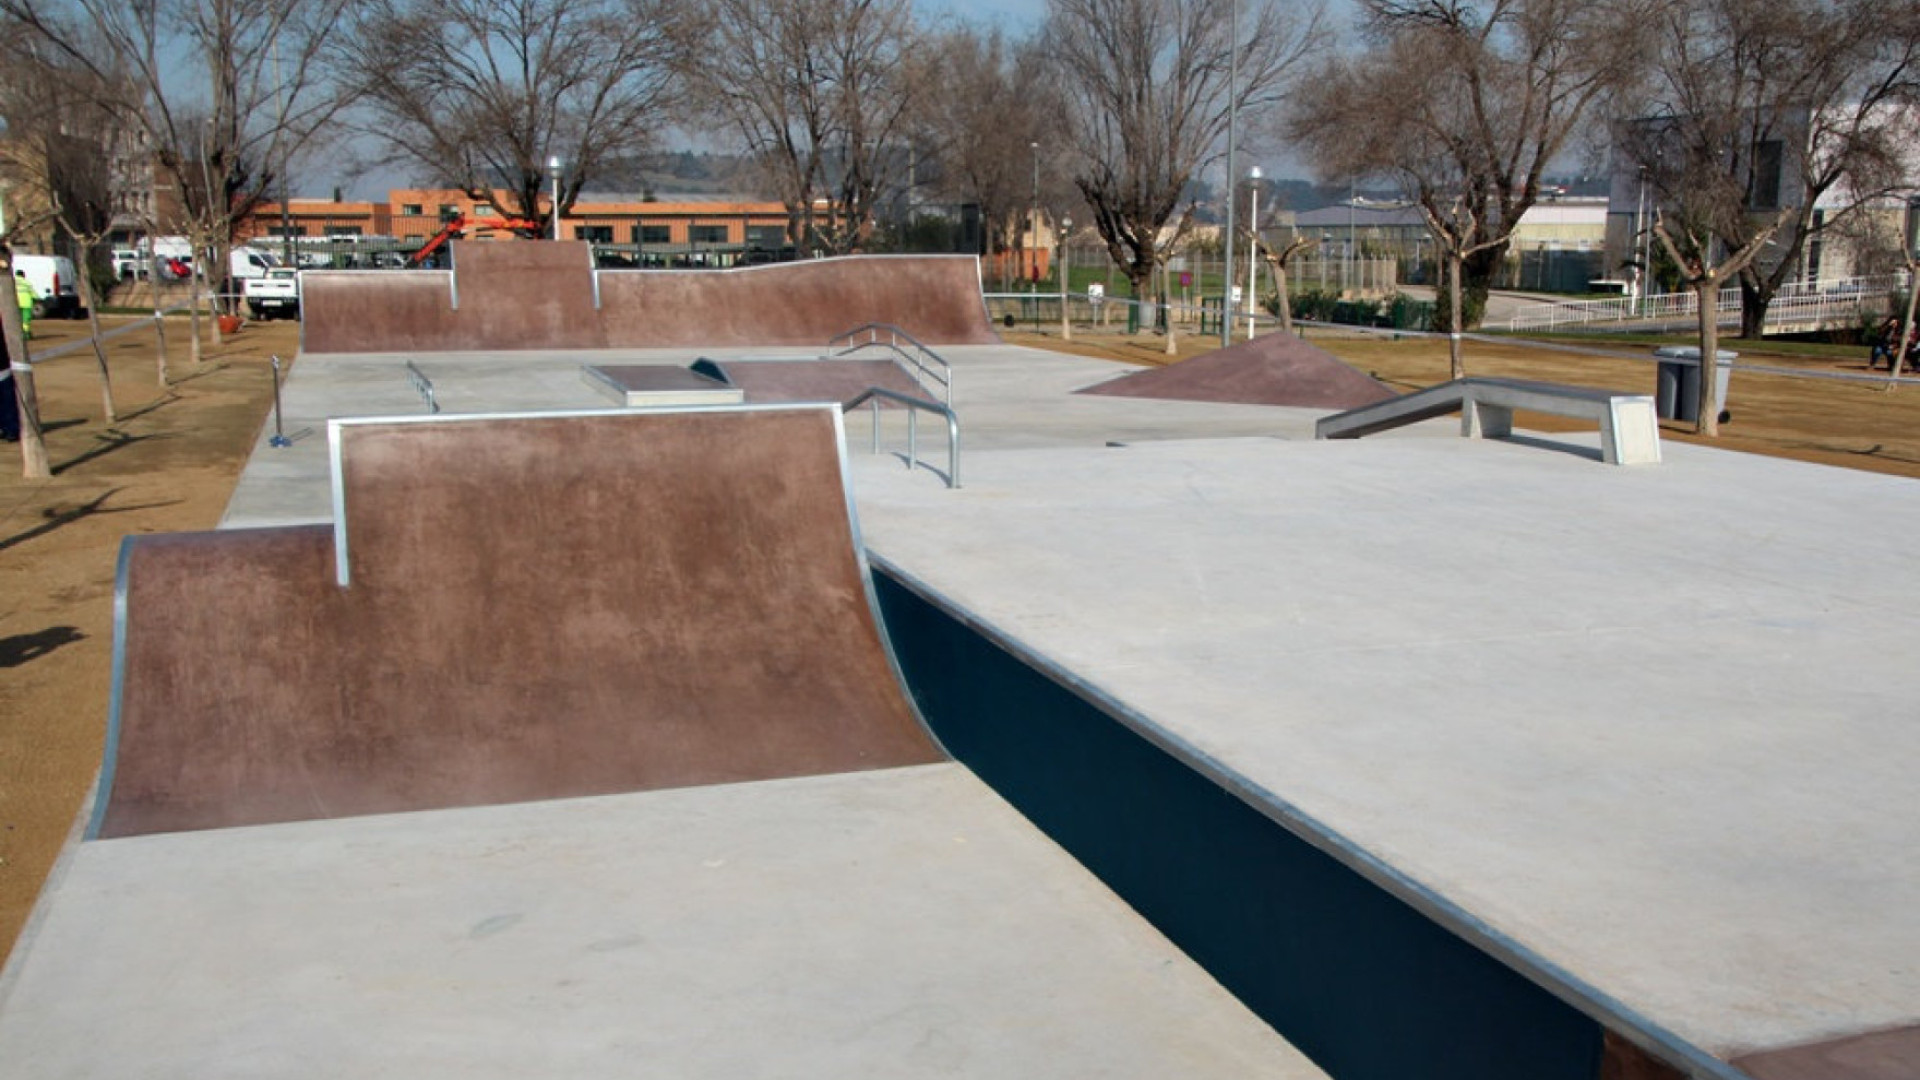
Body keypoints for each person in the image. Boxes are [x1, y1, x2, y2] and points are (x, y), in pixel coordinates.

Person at [13, 270, 33, 340]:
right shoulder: (27, 283)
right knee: (25, 320)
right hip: (26, 303)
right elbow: (33, 294)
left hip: (15, 303)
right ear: (23, 275)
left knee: (17, 319)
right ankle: (26, 333)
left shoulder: (12, 282)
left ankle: (17, 333)